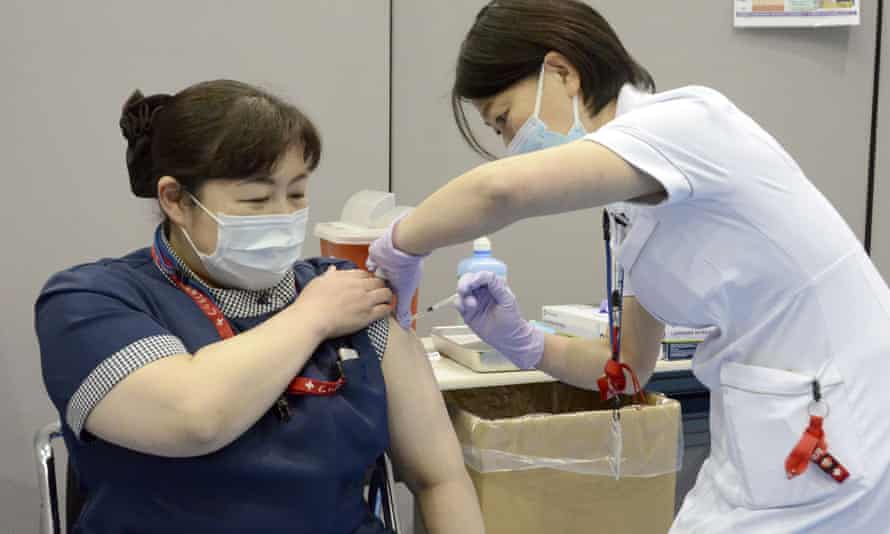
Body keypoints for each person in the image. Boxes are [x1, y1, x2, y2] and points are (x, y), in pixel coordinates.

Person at [367, 1, 890, 531]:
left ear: (563, 72)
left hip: (838, 426)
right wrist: (523, 342)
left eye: (504, 119)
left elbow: (498, 191)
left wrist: (398, 244)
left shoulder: (686, 123)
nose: (509, 146)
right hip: (770, 436)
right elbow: (629, 366)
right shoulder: (630, 202)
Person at [35, 80, 484, 534]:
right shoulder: (90, 301)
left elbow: (440, 478)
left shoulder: (347, 292)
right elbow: (193, 417)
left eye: (296, 194)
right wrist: (312, 318)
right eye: (255, 199)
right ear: (174, 199)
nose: (283, 215)